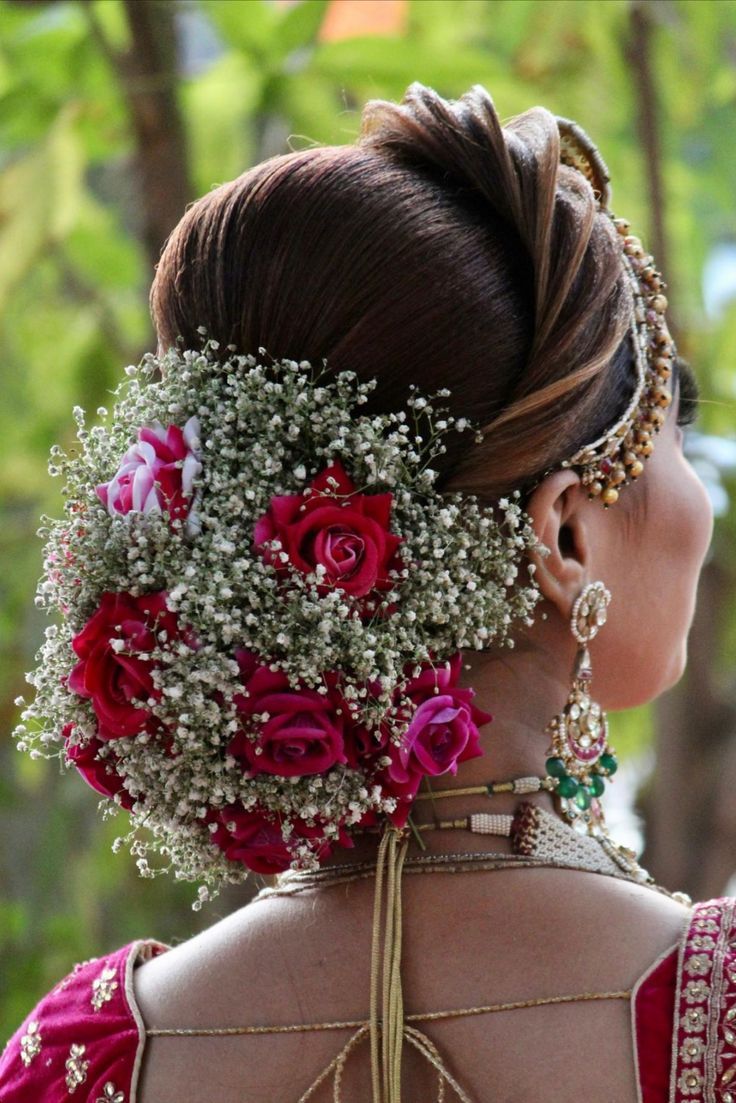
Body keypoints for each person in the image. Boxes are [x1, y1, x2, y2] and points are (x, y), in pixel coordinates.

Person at [0, 82, 723, 1103]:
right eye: (672, 437)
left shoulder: (86, 1056)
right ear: (563, 533)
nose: (699, 499)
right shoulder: (716, 1012)